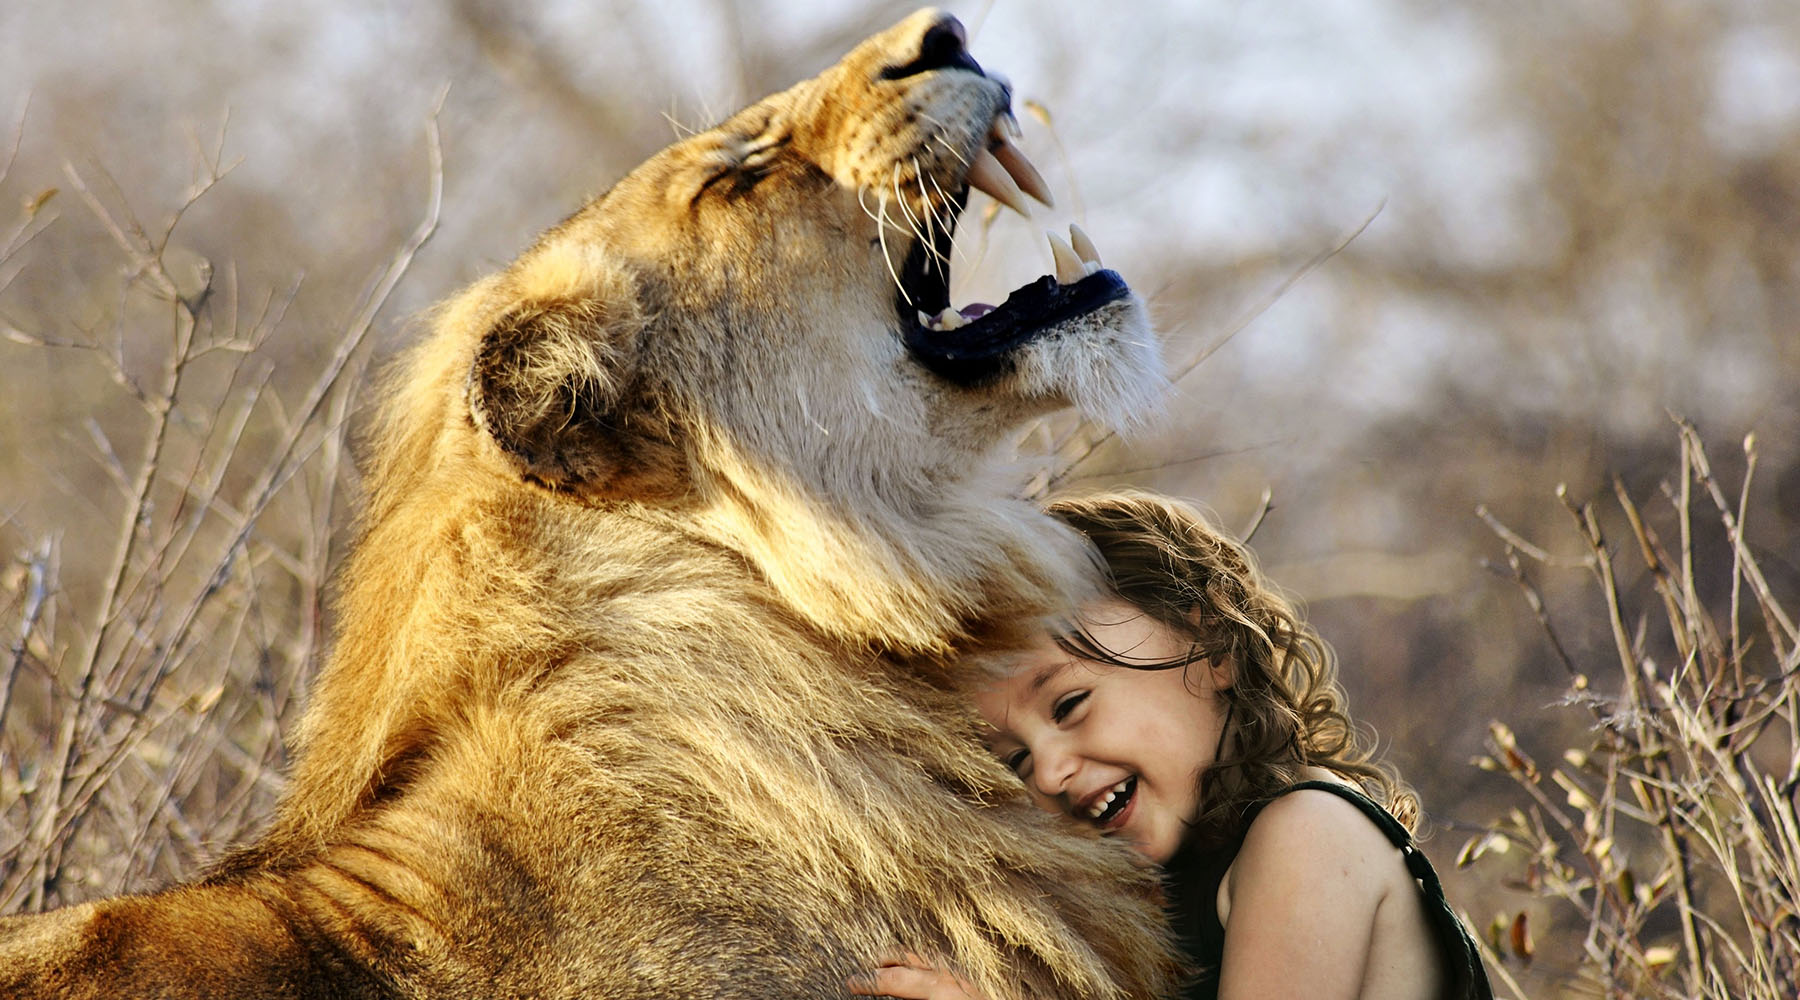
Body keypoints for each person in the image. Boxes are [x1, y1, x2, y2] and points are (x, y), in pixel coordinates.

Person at [851, 490, 1492, 1000]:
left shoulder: (1310, 833)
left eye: (1070, 705)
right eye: (1012, 760)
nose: (1047, 771)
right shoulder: (1169, 902)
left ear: (1208, 638)